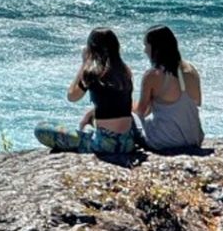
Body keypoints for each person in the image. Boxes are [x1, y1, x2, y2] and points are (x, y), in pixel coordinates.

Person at [37, 27, 135, 155]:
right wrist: (91, 113)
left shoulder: (92, 74)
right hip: (128, 142)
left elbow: (72, 96)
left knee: (41, 129)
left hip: (104, 145)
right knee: (88, 127)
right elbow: (115, 102)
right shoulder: (125, 71)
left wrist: (84, 63)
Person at [134, 25, 205, 152]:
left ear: (155, 48)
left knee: (128, 117)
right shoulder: (190, 70)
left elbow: (141, 112)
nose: (145, 51)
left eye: (146, 46)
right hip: (194, 139)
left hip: (165, 142)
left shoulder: (153, 75)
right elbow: (198, 101)